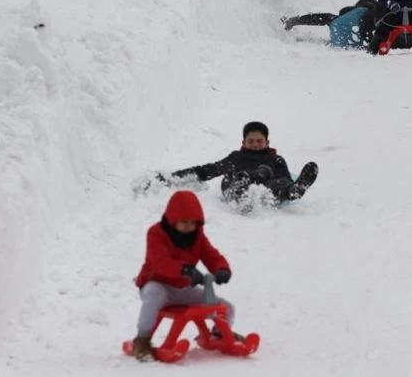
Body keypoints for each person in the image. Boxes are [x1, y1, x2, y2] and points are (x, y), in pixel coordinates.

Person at [131, 190, 238, 361]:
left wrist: (222, 269)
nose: (189, 226)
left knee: (227, 308)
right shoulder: (155, 234)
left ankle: (220, 334)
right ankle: (142, 340)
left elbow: (211, 255)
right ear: (173, 220)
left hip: (183, 289)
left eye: (193, 222)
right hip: (158, 284)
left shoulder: (197, 236)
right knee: (153, 296)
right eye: (184, 222)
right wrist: (186, 269)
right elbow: (160, 262)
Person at [142, 121, 319, 204]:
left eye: (259, 141)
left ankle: (295, 191)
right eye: (251, 141)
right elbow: (207, 171)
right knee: (234, 177)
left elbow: (284, 178)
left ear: (267, 142)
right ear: (243, 143)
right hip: (236, 184)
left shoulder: (276, 159)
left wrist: (290, 186)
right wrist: (168, 178)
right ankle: (241, 190)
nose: (255, 145)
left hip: (267, 188)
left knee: (277, 181)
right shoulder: (237, 157)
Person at [281, 0, 412, 49]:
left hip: (342, 36)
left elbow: (324, 18)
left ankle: (294, 26)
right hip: (360, 38)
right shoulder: (374, 15)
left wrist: (295, 21)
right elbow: (404, 42)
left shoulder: (347, 16)